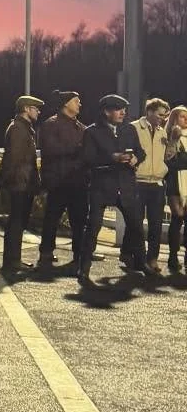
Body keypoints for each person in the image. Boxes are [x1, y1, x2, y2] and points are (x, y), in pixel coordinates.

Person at [79, 93, 146, 284]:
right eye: (118, 109)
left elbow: (141, 152)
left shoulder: (129, 130)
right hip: (102, 186)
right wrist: (113, 157)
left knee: (136, 225)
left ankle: (141, 263)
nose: (123, 113)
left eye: (124, 109)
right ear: (106, 112)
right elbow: (88, 159)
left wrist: (136, 159)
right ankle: (83, 269)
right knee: (93, 227)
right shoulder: (92, 132)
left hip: (126, 184)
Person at [35, 89, 90, 276]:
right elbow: (50, 149)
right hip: (58, 180)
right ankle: (46, 252)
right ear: (66, 103)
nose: (80, 104)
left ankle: (79, 253)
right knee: (52, 218)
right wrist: (78, 149)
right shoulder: (51, 125)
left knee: (79, 219)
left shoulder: (82, 128)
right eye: (77, 100)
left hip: (78, 181)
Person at [0, 94, 42, 276]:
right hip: (19, 184)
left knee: (18, 222)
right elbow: (15, 159)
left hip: (22, 182)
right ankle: (12, 261)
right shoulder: (18, 129)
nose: (38, 111)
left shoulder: (23, 128)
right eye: (35, 108)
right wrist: (19, 181)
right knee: (16, 222)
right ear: (26, 109)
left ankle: (13, 260)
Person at [130, 98, 171, 274]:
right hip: (138, 182)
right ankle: (138, 259)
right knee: (137, 225)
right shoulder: (134, 128)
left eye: (165, 115)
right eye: (160, 114)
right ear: (150, 112)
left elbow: (166, 156)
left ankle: (152, 259)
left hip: (157, 184)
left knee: (155, 224)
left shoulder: (163, 132)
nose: (163, 118)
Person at [166, 105, 187, 277]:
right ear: (174, 118)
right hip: (174, 183)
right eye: (182, 116)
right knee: (178, 216)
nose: (185, 119)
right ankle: (173, 256)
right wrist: (174, 139)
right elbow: (169, 161)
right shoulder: (168, 136)